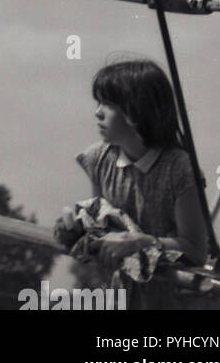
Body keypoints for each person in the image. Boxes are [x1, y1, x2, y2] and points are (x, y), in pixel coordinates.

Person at [54, 57, 206, 310]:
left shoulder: (179, 168)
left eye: (108, 104)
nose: (97, 112)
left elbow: (195, 250)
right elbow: (102, 225)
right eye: (98, 102)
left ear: (137, 111)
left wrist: (139, 241)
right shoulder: (99, 158)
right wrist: (75, 230)